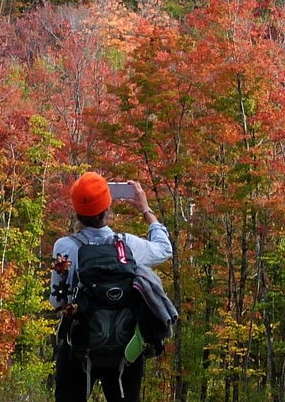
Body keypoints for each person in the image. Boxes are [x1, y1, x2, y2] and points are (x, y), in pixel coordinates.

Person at [50, 172, 172, 402]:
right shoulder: (127, 245)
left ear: (76, 211)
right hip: (125, 352)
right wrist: (146, 209)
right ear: (108, 208)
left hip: (79, 348)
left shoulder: (64, 247)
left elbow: (59, 302)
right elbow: (164, 249)